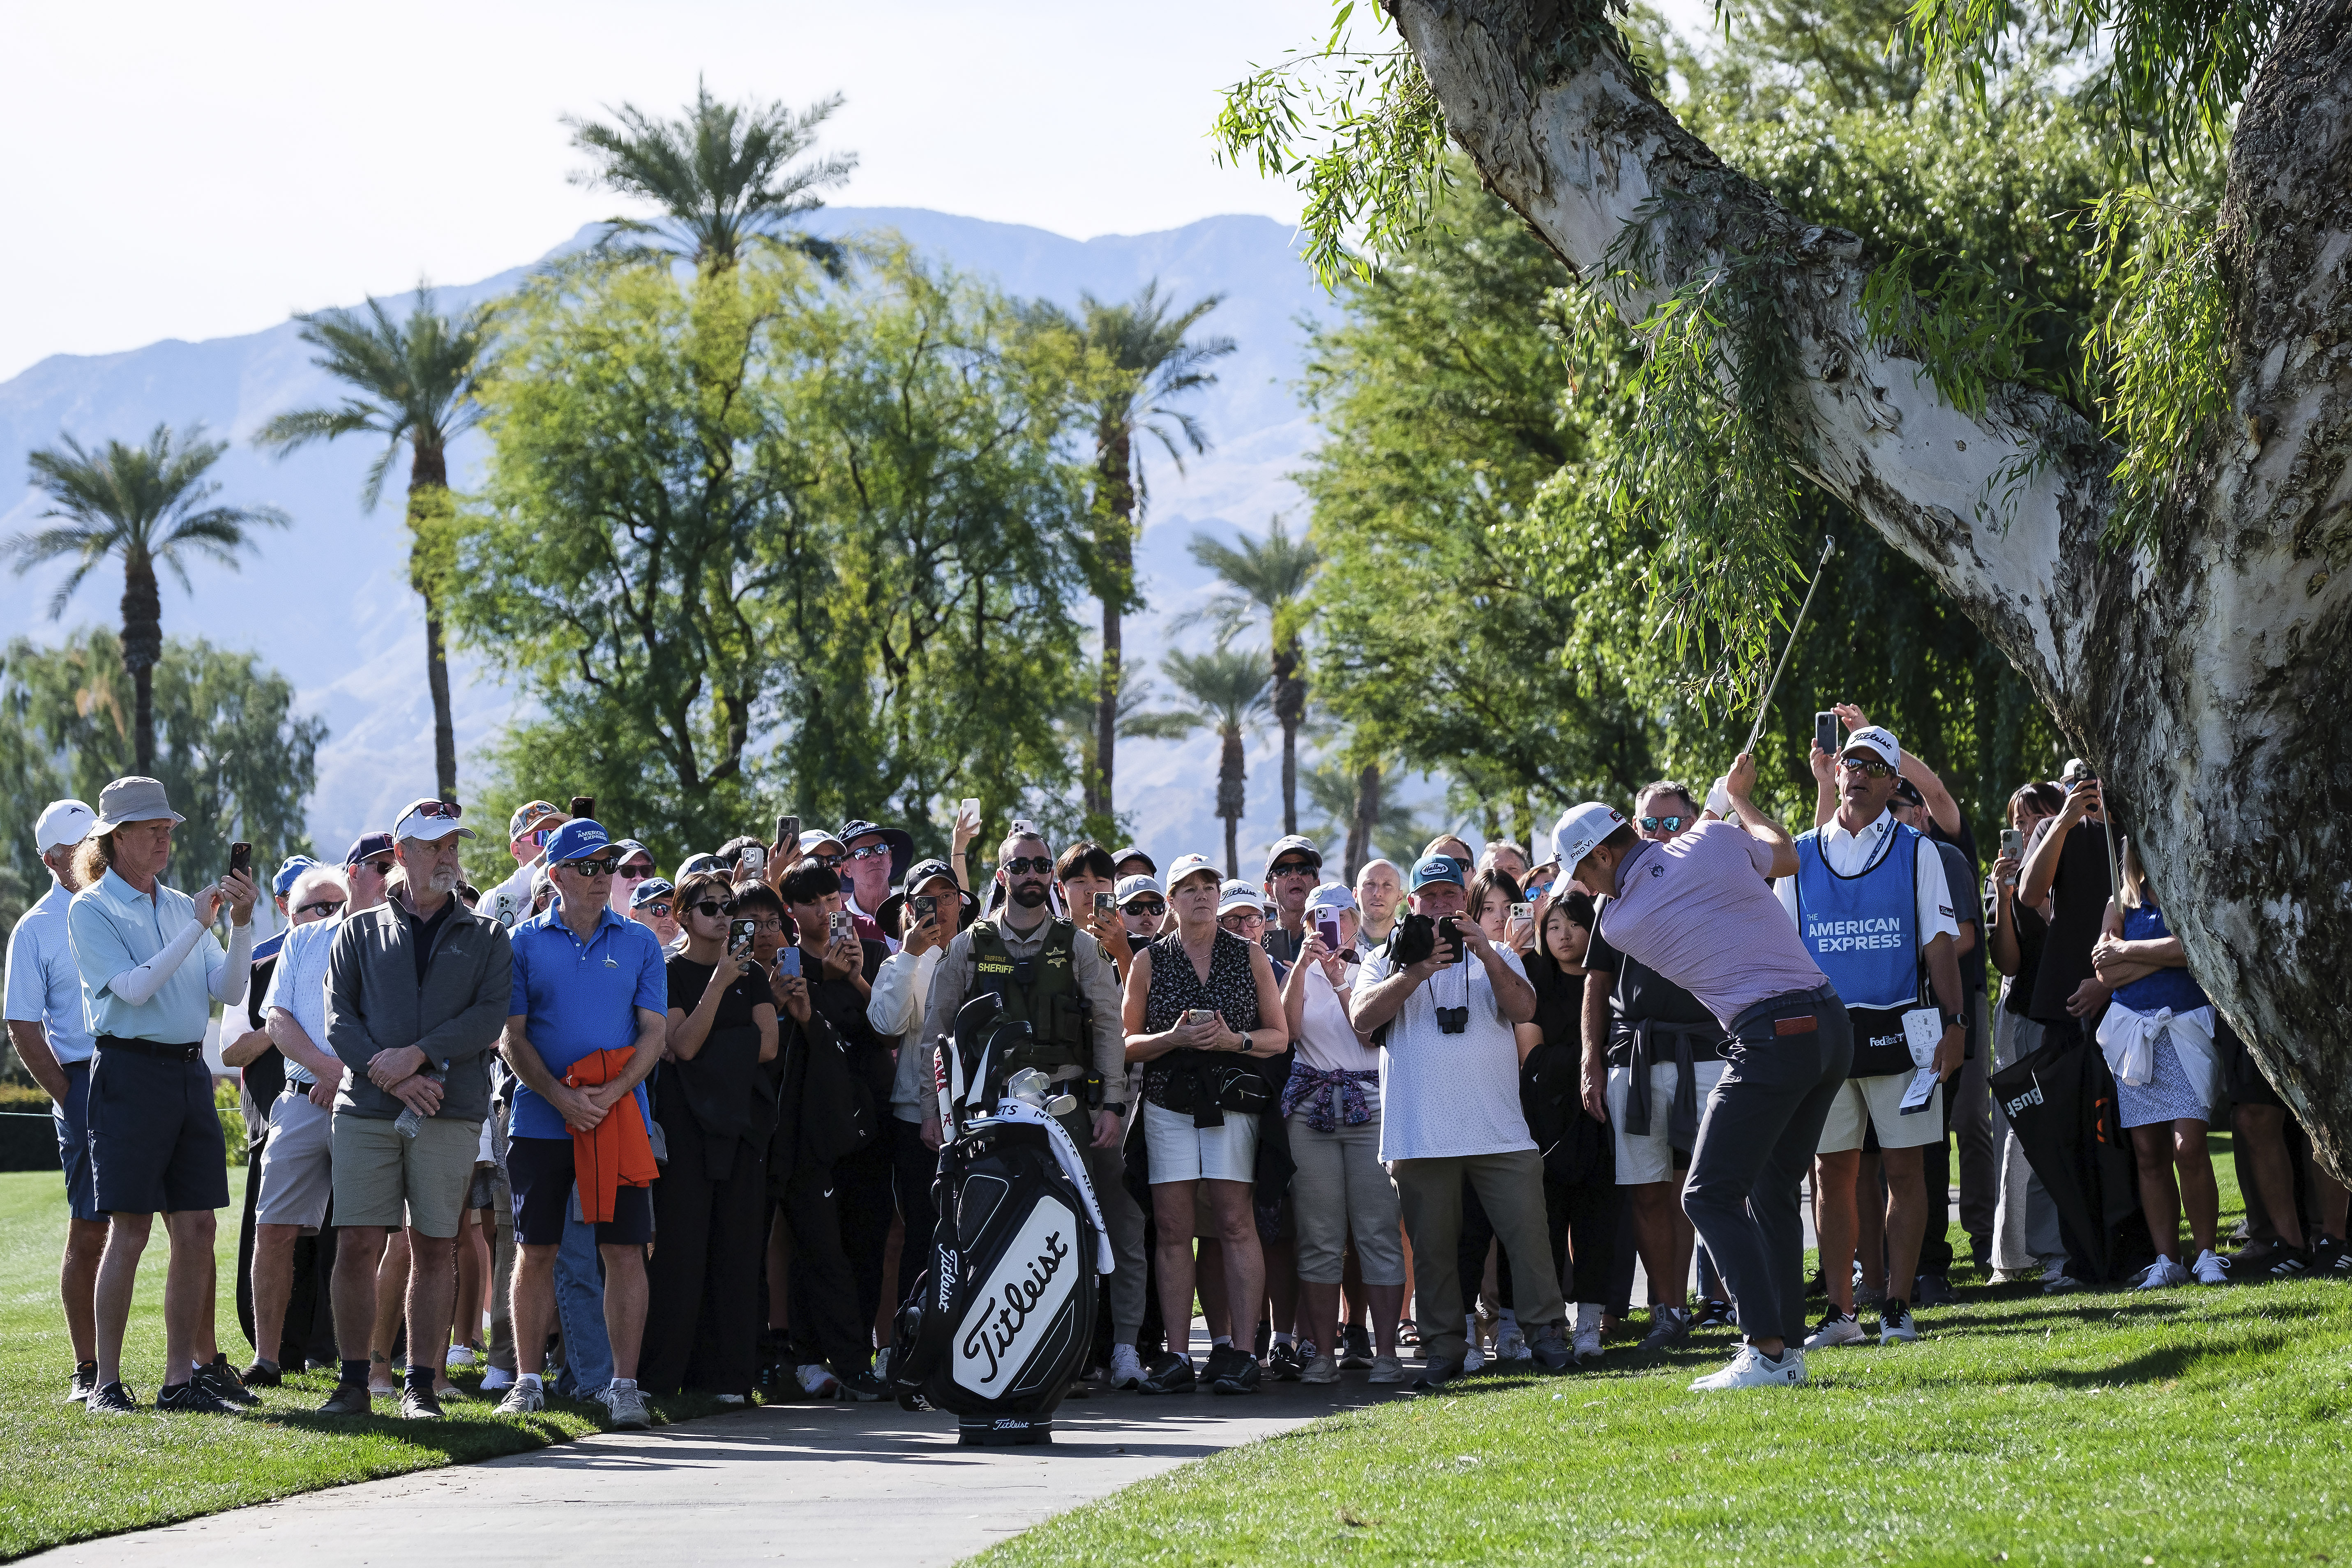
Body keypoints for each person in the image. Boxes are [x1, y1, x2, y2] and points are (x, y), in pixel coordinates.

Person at [1557, 752, 1847, 1393]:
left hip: (1771, 1036)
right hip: (1829, 1026)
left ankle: (1766, 1349)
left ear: (1602, 856)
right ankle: (1788, 1355)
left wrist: (1719, 807)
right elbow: (1783, 852)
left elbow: (1663, 873)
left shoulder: (1622, 921)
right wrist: (1739, 800)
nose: (1583, 889)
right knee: (1771, 1191)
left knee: (1706, 1193)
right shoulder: (1715, 840)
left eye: (1580, 871)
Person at [917, 831, 1143, 1384]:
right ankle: (983, 1354)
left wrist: (1112, 1102)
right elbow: (936, 1033)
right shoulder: (970, 945)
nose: (1033, 875)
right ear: (1002, 876)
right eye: (1021, 866)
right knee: (982, 1227)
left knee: (1088, 1227)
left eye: (1043, 866)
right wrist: (932, 1109)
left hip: (1065, 1105)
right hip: (987, 1109)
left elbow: (1111, 1026)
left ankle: (1093, 1353)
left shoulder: (1080, 946)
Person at [66, 776, 260, 1414]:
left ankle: (180, 1380)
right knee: (130, 1228)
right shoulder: (90, 908)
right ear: (116, 838)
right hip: (129, 1071)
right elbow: (136, 989)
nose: (164, 839)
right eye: (152, 830)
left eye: (168, 829)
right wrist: (195, 924)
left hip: (185, 1074)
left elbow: (231, 991)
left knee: (199, 1227)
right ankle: (107, 1384)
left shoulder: (180, 904)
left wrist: (240, 925)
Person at [318, 800, 513, 1421]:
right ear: (401, 855)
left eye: (454, 844)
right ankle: (353, 1384)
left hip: (450, 1111)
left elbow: (489, 1017)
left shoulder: (487, 934)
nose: (449, 857)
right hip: (369, 1109)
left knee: (435, 1247)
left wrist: (420, 1056)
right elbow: (337, 1020)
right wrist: (395, 1076)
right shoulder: (358, 929)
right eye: (434, 846)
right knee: (356, 1243)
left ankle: (420, 1387)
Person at [1349, 853, 1568, 1389]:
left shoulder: (1496, 953)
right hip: (1421, 1134)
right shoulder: (1386, 957)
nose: (1441, 905)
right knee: (1434, 1250)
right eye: (1431, 897)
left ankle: (1547, 1340)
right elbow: (1362, 1020)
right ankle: (1444, 1350)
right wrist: (1417, 970)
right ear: (1412, 903)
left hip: (1499, 1129)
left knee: (1530, 1239)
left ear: (1464, 901)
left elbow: (1522, 1010)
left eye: (1451, 896)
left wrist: (1484, 954)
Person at [1781, 726, 1964, 1350]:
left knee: (1906, 1172)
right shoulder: (1800, 853)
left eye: (1872, 766)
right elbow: (1784, 953)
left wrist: (1956, 1022)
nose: (1857, 772)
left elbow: (1940, 946)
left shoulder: (1919, 852)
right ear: (1834, 775)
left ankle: (1897, 1306)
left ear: (1892, 783)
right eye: (1849, 762)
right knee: (1831, 1174)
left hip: (1902, 1033)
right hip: (1826, 1039)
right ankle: (1841, 1310)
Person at [494, 818, 666, 1430]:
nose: (603, 878)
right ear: (557, 875)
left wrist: (613, 1092)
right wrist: (561, 1099)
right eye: (589, 867)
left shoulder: (641, 943)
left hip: (618, 1119)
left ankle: (623, 1387)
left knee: (623, 1251)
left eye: (609, 867)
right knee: (535, 1249)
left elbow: (654, 1033)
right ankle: (528, 1381)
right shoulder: (521, 943)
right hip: (543, 1120)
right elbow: (510, 1038)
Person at [1122, 852, 1287, 1395]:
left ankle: (1242, 1352)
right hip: (1168, 1103)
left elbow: (1277, 1037)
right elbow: (1127, 1044)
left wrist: (1232, 1041)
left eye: (1208, 885)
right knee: (1172, 1229)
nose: (1201, 895)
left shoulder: (1250, 955)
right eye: (1188, 888)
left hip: (1233, 1105)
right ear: (1171, 900)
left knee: (1235, 1223)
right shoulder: (1150, 960)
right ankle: (1175, 1355)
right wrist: (1171, 1038)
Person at [1580, 782, 1728, 1354]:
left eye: (1673, 824)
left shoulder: (1714, 883)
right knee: (1646, 1193)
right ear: (1634, 830)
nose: (1662, 835)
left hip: (1707, 1053)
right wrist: (1591, 1061)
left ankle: (1724, 1302)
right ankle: (1668, 1311)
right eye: (1650, 825)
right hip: (1634, 1059)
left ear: (1693, 825)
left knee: (1704, 1189)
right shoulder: (1612, 893)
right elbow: (1597, 981)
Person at [640, 870, 779, 1398]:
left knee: (737, 1251)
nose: (724, 916)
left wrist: (724, 1041)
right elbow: (681, 1046)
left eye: (727, 906)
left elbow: (770, 1047)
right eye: (710, 908)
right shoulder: (670, 972)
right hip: (688, 1128)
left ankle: (728, 1376)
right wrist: (721, 985)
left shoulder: (756, 976)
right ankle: (666, 1376)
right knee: (681, 1250)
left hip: (741, 1128)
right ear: (683, 917)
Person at [772, 860, 893, 1398]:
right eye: (814, 902)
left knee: (866, 1239)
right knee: (818, 1247)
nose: (827, 910)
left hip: (868, 1117)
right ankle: (825, 1357)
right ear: (792, 911)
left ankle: (858, 1353)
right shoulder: (788, 962)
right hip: (809, 1123)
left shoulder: (869, 954)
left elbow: (888, 1026)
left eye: (833, 898)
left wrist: (857, 979)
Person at [1280, 883, 1407, 1384]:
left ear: (1355, 921)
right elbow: (1287, 1033)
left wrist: (1338, 981)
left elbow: (1369, 1034)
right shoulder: (1296, 971)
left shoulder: (1375, 966)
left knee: (1377, 1232)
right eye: (1315, 917)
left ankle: (1388, 1354)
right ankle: (1322, 1356)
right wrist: (1302, 970)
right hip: (1311, 1107)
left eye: (1336, 916)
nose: (1325, 926)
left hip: (1370, 1105)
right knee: (1319, 1236)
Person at [2091, 839, 2229, 1288]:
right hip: (2133, 1031)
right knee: (2149, 1153)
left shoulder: (2186, 888)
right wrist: (2163, 955)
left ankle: (2207, 1253)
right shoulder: (2121, 897)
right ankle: (2168, 1260)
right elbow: (2104, 972)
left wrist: (2130, 952)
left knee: (2188, 1147)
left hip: (2185, 1027)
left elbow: (2194, 952)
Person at [5, 798, 105, 1404]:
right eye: (78, 844)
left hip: (146, 1073)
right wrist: (69, 1095)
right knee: (90, 1232)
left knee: (184, 1224)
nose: (93, 850)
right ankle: (87, 1368)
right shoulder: (37, 927)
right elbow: (21, 1025)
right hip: (83, 1079)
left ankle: (197, 1366)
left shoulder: (126, 903)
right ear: (50, 859)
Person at [243, 864, 354, 1388]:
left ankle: (370, 1365)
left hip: (365, 1102)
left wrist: (347, 1077)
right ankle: (268, 1358)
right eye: (318, 906)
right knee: (274, 1229)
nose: (330, 914)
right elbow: (277, 1022)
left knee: (371, 1234)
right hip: (300, 1101)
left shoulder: (372, 939)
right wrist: (327, 1070)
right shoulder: (298, 944)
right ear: (292, 911)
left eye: (339, 904)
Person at [869, 855, 977, 1376]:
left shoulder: (982, 951)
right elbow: (887, 1025)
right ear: (909, 909)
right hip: (916, 1116)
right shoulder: (898, 963)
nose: (939, 908)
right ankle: (909, 1347)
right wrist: (910, 955)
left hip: (977, 1114)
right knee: (919, 1233)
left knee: (976, 1232)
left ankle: (969, 1344)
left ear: (962, 901)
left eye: (947, 897)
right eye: (925, 901)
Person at [484, 802, 566, 931]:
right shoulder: (493, 899)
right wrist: (544, 859)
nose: (554, 845)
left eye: (559, 837)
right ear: (517, 850)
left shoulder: (573, 892)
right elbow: (494, 915)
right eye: (543, 837)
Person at [837, 818, 916, 945]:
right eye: (862, 853)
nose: (875, 858)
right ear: (847, 869)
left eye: (881, 849)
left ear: (890, 858)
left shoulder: (912, 911)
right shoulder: (840, 920)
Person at [1260, 835, 1322, 964]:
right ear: (1269, 888)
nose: (1294, 877)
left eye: (1304, 869)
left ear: (1317, 884)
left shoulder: (1332, 937)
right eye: (1283, 871)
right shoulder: (1255, 937)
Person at [1353, 858, 1403, 953]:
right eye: (1370, 884)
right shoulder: (1342, 944)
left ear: (1400, 897)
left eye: (1387, 885)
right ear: (1355, 894)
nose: (1378, 893)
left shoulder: (1414, 943)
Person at [628, 878, 680, 948]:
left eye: (675, 911)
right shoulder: (617, 954)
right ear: (634, 915)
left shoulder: (690, 957)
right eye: (659, 908)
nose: (670, 918)